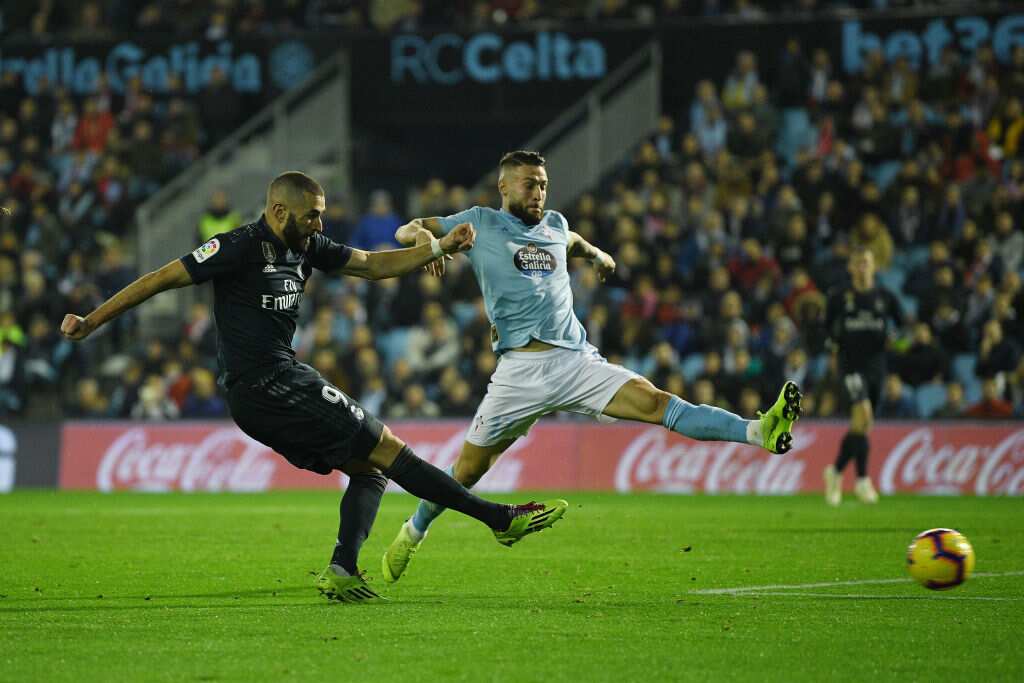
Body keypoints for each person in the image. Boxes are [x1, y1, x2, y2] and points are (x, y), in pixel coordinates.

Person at [60, 171, 567, 603]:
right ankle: (499, 519)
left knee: (370, 472)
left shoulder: (308, 246)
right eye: (312, 216)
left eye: (322, 215)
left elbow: (371, 265)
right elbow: (158, 279)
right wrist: (91, 321)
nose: (320, 224)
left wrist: (437, 246)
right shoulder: (237, 247)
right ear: (279, 211)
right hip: (267, 384)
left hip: (275, 388)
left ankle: (343, 569)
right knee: (388, 447)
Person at [382, 150, 802, 583]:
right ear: (504, 186)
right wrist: (425, 243)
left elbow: (575, 243)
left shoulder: (556, 226)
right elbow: (405, 228)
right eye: (529, 183)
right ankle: (413, 532)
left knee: (657, 402)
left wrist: (599, 255)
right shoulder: (480, 222)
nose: (539, 192)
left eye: (543, 183)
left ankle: (758, 432)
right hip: (519, 372)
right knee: (468, 471)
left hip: (575, 361)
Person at [822, 248, 904, 507]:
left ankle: (835, 472)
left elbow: (902, 327)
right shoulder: (838, 297)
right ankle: (862, 480)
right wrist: (832, 354)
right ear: (850, 267)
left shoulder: (886, 298)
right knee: (864, 414)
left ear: (874, 266)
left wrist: (898, 340)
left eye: (866, 263)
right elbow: (827, 330)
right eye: (857, 263)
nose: (862, 267)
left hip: (876, 367)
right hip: (850, 365)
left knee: (862, 425)